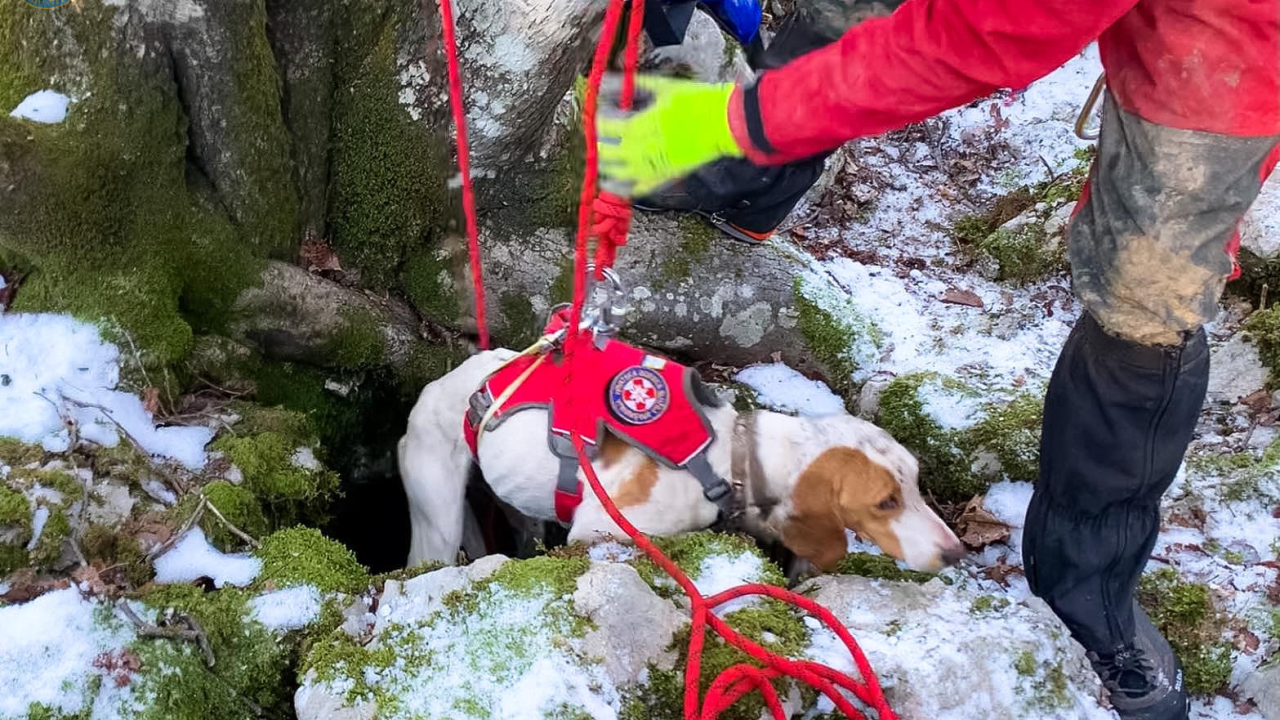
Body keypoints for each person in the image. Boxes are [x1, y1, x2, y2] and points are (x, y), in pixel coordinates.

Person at [596, 1, 1280, 718]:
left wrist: (741, 121)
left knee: (1150, 292)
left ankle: (1088, 584)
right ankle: (747, 182)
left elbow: (985, 33)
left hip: (1224, 31)